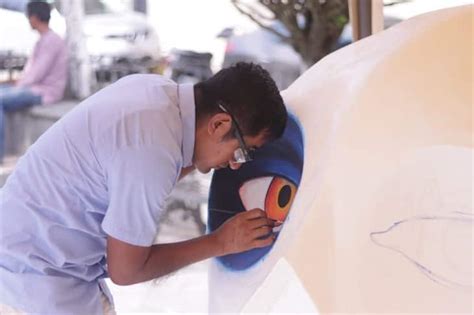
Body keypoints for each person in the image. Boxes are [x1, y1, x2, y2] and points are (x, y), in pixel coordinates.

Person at [0, 62, 287, 314]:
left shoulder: (155, 93)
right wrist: (222, 242)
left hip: (29, 259)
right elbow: (126, 270)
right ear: (219, 124)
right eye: (242, 151)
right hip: (33, 284)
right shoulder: (153, 150)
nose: (236, 165)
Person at [0, 1, 68, 162]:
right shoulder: (43, 39)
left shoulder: (52, 40)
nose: (28, 20)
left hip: (44, 92)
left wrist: (17, 85)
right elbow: (30, 74)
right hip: (33, 87)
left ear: (35, 17)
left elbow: (36, 74)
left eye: (28, 16)